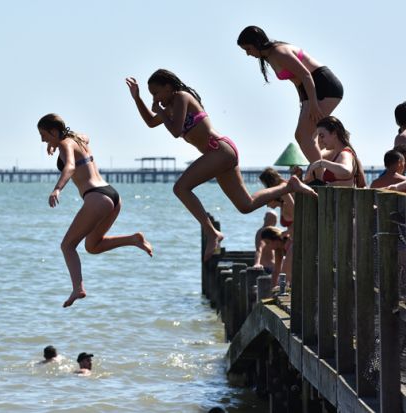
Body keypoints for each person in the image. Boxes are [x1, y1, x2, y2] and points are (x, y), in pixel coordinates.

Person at [125, 69, 316, 261]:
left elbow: (175, 130)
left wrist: (161, 113)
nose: (155, 99)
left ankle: (212, 233)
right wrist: (137, 99)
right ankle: (289, 186)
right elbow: (150, 122)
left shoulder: (182, 97)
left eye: (156, 93)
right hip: (218, 154)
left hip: (219, 150)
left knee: (181, 188)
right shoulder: (170, 110)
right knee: (246, 205)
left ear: (168, 87)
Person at [38, 114, 153, 307]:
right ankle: (134, 239)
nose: (42, 140)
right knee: (92, 246)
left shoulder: (66, 144)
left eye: (44, 135)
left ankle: (78, 288)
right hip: (112, 196)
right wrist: (54, 143)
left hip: (97, 197)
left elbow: (70, 167)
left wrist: (57, 188)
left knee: (67, 246)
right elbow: (85, 135)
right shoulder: (77, 138)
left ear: (54, 131)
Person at [237, 26, 343, 163]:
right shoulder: (269, 56)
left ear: (256, 43)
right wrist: (303, 101)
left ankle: (320, 174)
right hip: (310, 91)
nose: (248, 54)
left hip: (325, 87)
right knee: (302, 135)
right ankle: (324, 170)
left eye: (248, 49)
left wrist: (313, 104)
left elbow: (305, 75)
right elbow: (296, 80)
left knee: (305, 136)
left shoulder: (279, 52)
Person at [305, 116, 363, 187]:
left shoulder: (345, 153)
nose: (320, 140)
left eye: (322, 136)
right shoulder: (338, 153)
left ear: (334, 133)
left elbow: (346, 170)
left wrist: (321, 163)